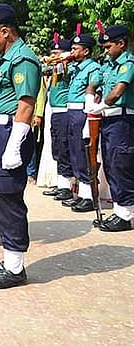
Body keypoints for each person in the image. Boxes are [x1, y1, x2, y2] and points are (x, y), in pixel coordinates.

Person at [0, 2, 41, 289]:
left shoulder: (22, 59)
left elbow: (26, 105)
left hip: (7, 135)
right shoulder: (5, 58)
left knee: (8, 197)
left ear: (5, 31)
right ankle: (9, 258)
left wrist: (14, 146)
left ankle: (15, 268)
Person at [86, 24, 134, 232]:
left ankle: (127, 214)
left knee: (121, 164)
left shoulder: (128, 63)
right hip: (108, 121)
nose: (105, 51)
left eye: (108, 47)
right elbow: (95, 84)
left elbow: (117, 93)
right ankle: (119, 210)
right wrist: (91, 99)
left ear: (121, 44)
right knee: (110, 165)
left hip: (122, 121)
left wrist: (100, 105)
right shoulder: (110, 64)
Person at [64, 33, 100, 213]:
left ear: (86, 51)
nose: (72, 52)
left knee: (82, 150)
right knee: (74, 150)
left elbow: (94, 90)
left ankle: (89, 195)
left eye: (75, 49)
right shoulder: (76, 68)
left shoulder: (92, 67)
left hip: (82, 111)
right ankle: (81, 192)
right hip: (71, 111)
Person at [40, 36, 75, 202]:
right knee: (57, 148)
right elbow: (42, 67)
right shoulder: (55, 67)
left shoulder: (68, 66)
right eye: (52, 52)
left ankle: (67, 185)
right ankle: (61, 183)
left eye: (57, 52)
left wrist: (63, 59)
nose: (54, 55)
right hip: (55, 111)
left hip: (64, 111)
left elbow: (64, 67)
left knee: (64, 147)